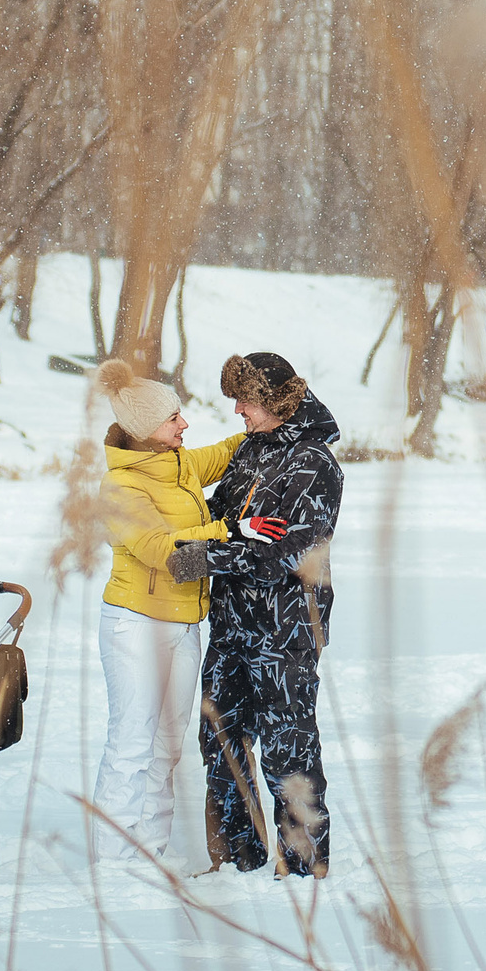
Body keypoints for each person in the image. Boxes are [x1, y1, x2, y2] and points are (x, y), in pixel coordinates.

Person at [168, 351, 341, 877]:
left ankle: (304, 867)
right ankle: (237, 862)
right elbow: (221, 519)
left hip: (285, 629)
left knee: (287, 751)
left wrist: (201, 558)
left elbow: (285, 553)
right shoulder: (250, 451)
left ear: (274, 399)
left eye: (245, 399)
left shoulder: (313, 462)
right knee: (219, 742)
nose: (238, 409)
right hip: (230, 625)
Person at [90, 357, 246, 868]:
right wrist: (227, 531)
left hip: (183, 626)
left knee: (166, 747)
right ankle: (113, 863)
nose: (185, 424)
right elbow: (161, 549)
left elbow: (224, 453)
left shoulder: (177, 465)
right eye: (173, 418)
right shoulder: (121, 487)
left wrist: (268, 424)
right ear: (146, 432)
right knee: (132, 743)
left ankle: (150, 854)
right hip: (135, 625)